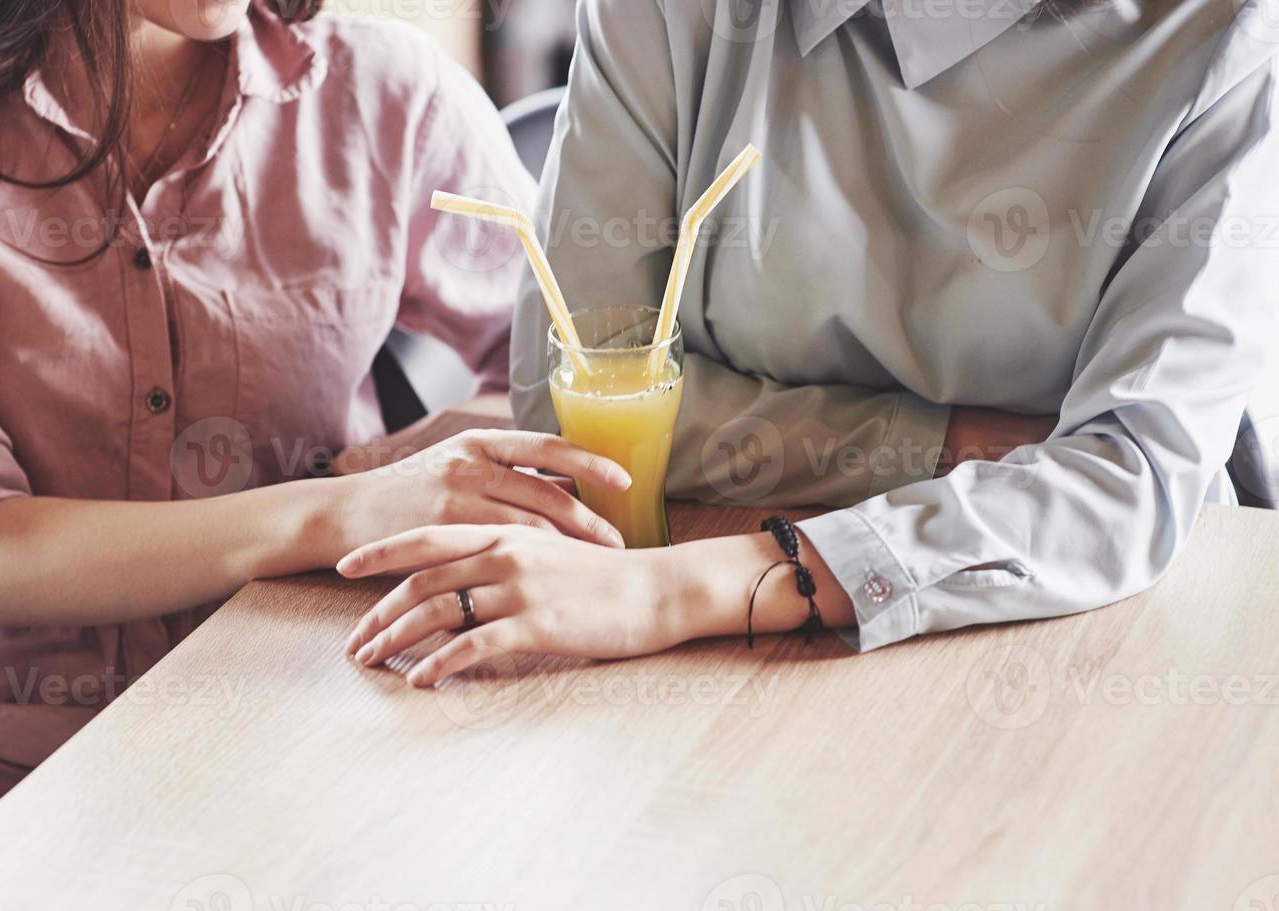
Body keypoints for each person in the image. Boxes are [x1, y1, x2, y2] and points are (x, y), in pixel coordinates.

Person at [0, 0, 630, 891]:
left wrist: (393, 466)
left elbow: (575, 377)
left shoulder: (388, 91)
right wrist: (346, 505)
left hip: (291, 742)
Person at [341, 0, 1279, 686]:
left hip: (1075, 641)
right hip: (720, 659)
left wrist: (673, 593)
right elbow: (575, 391)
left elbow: (1127, 483)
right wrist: (947, 443)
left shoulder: (1226, 39)